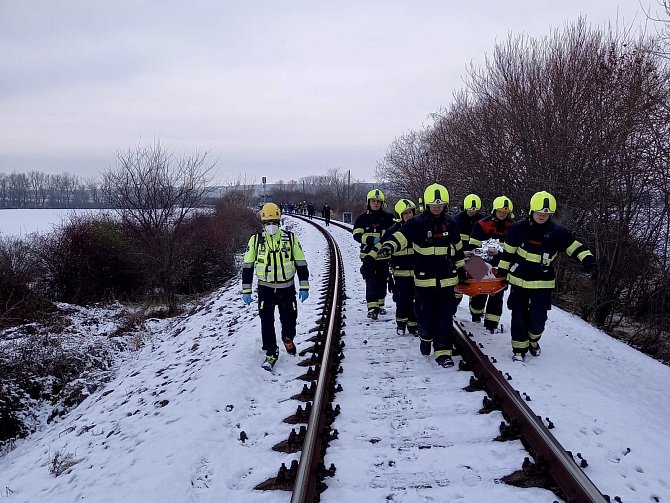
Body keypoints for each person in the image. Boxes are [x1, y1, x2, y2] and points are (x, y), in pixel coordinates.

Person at [497, 191, 598, 362]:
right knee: (519, 317)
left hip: (542, 282)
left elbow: (576, 248)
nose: (542, 216)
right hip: (519, 280)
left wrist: (590, 263)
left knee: (538, 320)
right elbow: (507, 254)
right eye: (539, 213)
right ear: (532, 211)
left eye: (546, 214)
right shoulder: (518, 229)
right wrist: (501, 276)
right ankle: (519, 351)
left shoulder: (558, 232)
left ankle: (533, 341)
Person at [377, 183, 466, 368]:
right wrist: (388, 247)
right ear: (427, 204)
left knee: (445, 317)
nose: (437, 207)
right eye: (434, 204)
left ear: (445, 205)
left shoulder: (451, 223)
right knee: (424, 317)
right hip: (424, 281)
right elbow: (401, 237)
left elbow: (458, 249)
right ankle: (425, 338)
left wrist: (462, 270)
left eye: (440, 205)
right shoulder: (417, 223)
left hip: (446, 280)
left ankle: (443, 353)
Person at [241, 202, 310, 371]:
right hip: (265, 289)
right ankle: (271, 351)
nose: (271, 226)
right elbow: (248, 265)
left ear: (279, 221)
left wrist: (304, 286)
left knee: (289, 318)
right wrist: (246, 289)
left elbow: (301, 263)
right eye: (267, 223)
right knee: (266, 321)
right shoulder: (256, 240)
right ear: (263, 223)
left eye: (274, 222)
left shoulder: (291, 238)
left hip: (287, 288)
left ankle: (288, 338)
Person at [468, 195, 514, 332]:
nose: (502, 214)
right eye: (500, 212)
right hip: (480, 263)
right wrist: (484, 252)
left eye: (505, 213)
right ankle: (475, 313)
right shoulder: (481, 224)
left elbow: (513, 249)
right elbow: (472, 248)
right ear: (494, 210)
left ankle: (491, 324)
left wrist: (499, 253)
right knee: (479, 293)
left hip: (501, 264)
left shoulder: (512, 227)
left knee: (497, 295)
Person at [353, 188, 395, 319]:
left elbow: (394, 234)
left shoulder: (389, 218)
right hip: (367, 256)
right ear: (368, 202)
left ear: (382, 203)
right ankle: (372, 308)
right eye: (373, 201)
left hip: (384, 256)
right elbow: (356, 235)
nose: (376, 203)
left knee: (383, 280)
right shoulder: (362, 218)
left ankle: (380, 305)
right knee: (371, 280)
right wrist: (371, 240)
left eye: (378, 201)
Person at [382, 198, 418, 335]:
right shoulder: (393, 230)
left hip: (416, 273)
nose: (409, 215)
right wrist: (388, 278)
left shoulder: (418, 228)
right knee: (402, 300)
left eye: (410, 212)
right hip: (399, 272)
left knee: (415, 300)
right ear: (400, 215)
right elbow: (384, 251)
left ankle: (413, 326)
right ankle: (401, 324)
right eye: (405, 213)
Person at [453, 194, 485, 307]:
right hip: (460, 256)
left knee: (478, 283)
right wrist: (460, 254)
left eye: (475, 210)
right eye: (470, 210)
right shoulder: (457, 220)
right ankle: (452, 308)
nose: (472, 212)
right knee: (458, 284)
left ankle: (476, 313)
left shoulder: (481, 220)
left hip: (475, 257)